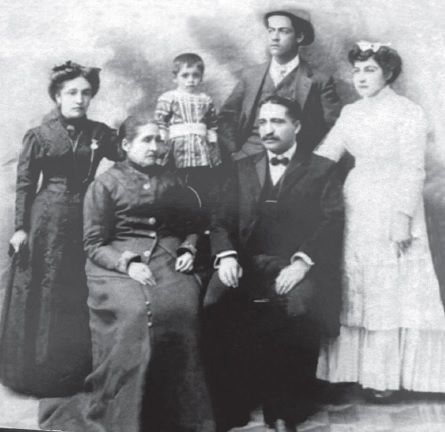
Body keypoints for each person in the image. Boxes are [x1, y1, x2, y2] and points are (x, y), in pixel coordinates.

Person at [40, 116, 214, 432]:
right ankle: (127, 415)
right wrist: (128, 264)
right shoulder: (104, 184)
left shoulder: (172, 181)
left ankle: (178, 416)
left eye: (159, 140)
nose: (155, 146)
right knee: (136, 313)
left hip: (166, 257)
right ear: (126, 144)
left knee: (182, 308)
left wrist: (188, 248)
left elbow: (193, 226)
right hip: (114, 264)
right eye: (147, 139)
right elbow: (93, 244)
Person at [204, 95, 344, 432]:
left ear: (297, 126)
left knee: (298, 307)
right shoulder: (240, 168)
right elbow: (220, 219)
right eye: (263, 122)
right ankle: (231, 402)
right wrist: (226, 256)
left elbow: (332, 221)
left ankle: (283, 407)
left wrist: (302, 263)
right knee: (214, 302)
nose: (268, 129)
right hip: (246, 262)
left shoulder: (322, 169)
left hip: (294, 263)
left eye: (277, 121)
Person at [315, 42, 445, 397]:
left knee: (390, 284)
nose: (361, 77)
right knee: (359, 279)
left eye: (369, 70)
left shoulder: (407, 112)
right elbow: (326, 155)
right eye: (357, 70)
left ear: (388, 73)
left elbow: (413, 168)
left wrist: (402, 217)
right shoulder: (351, 113)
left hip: (393, 201)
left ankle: (386, 378)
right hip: (358, 200)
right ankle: (355, 372)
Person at [0, 61, 121, 397]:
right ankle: (36, 373)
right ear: (57, 96)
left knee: (76, 288)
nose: (79, 99)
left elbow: (126, 155)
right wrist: (20, 228)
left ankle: (76, 371)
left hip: (88, 217)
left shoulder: (99, 133)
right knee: (45, 288)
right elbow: (25, 184)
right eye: (71, 93)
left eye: (86, 93)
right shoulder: (39, 136)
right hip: (46, 221)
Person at [218, 9, 341, 160]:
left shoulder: (319, 80)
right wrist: (234, 151)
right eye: (271, 30)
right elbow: (226, 117)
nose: (274, 37)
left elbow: (336, 128)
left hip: (297, 161)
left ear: (299, 37)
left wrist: (316, 162)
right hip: (248, 157)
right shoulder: (251, 76)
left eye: (283, 31)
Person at [155, 53, 222, 205]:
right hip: (177, 147)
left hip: (200, 147)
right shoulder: (169, 98)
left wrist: (213, 143)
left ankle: (199, 208)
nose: (190, 80)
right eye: (185, 75)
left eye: (195, 75)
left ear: (201, 77)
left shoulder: (205, 99)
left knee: (201, 181)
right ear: (175, 78)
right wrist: (163, 141)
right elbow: (160, 123)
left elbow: (212, 124)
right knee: (175, 182)